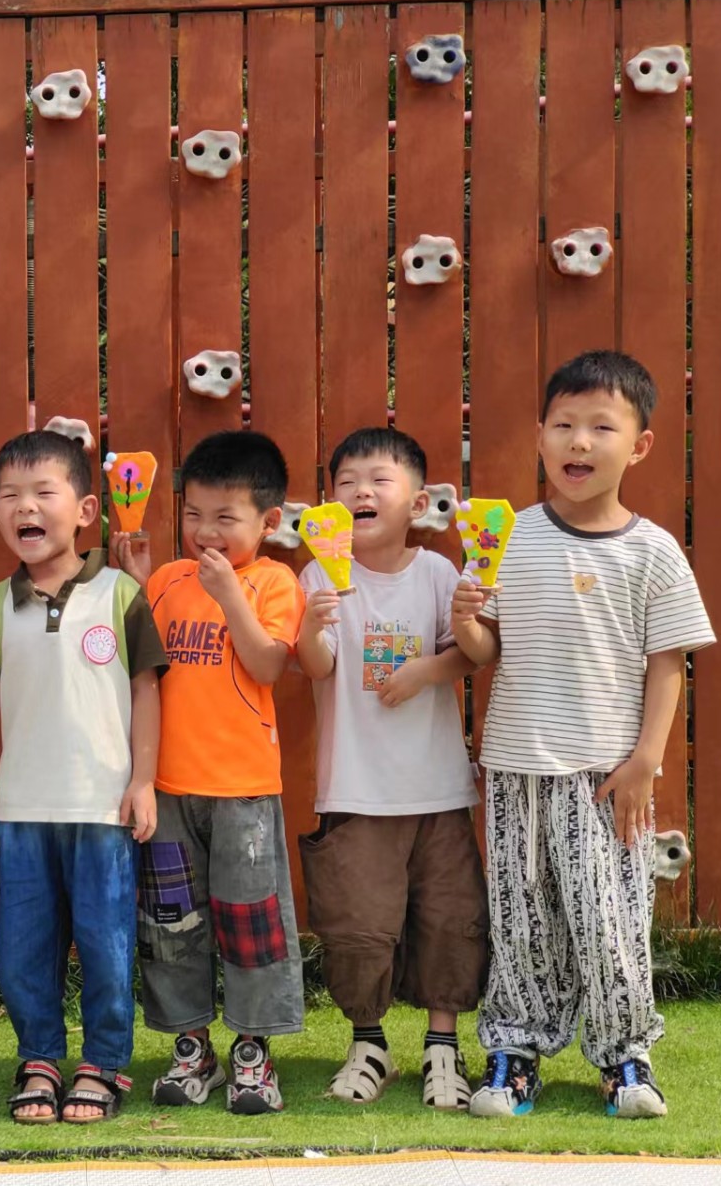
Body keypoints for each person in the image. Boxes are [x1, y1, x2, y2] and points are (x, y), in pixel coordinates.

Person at [452, 351, 715, 1120]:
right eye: (564, 424)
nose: (579, 441)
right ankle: (514, 1055)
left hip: (610, 774)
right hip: (516, 765)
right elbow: (487, 649)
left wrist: (646, 761)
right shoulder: (509, 536)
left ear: (639, 445)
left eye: (602, 426)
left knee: (613, 919)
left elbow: (668, 664)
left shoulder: (653, 549)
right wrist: (465, 619)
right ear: (540, 435)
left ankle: (625, 1056)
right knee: (521, 916)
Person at [0, 430, 166, 1124]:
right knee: (24, 947)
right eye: (9, 495)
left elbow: (147, 690)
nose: (25, 506)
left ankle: (104, 1062)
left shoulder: (121, 593)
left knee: (107, 943)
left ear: (85, 510)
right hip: (23, 807)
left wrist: (143, 780)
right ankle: (39, 1058)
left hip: (104, 807)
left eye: (43, 492)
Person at [111, 430, 306, 1115]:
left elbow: (268, 664)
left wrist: (230, 597)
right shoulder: (168, 580)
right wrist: (138, 578)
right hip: (168, 789)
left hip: (243, 791)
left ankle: (253, 1051)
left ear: (268, 520)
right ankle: (190, 1047)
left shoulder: (274, 581)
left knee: (252, 924)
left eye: (226, 517)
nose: (206, 532)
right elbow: (143, 666)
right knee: (171, 925)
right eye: (194, 514)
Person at [295, 426, 487, 1111]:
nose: (361, 492)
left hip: (436, 790)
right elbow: (315, 666)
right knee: (357, 925)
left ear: (419, 502)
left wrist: (426, 671)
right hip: (355, 788)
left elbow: (474, 653)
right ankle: (368, 1043)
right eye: (346, 483)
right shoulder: (321, 574)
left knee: (449, 917)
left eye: (379, 480)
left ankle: (443, 1046)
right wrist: (312, 625)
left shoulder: (438, 573)